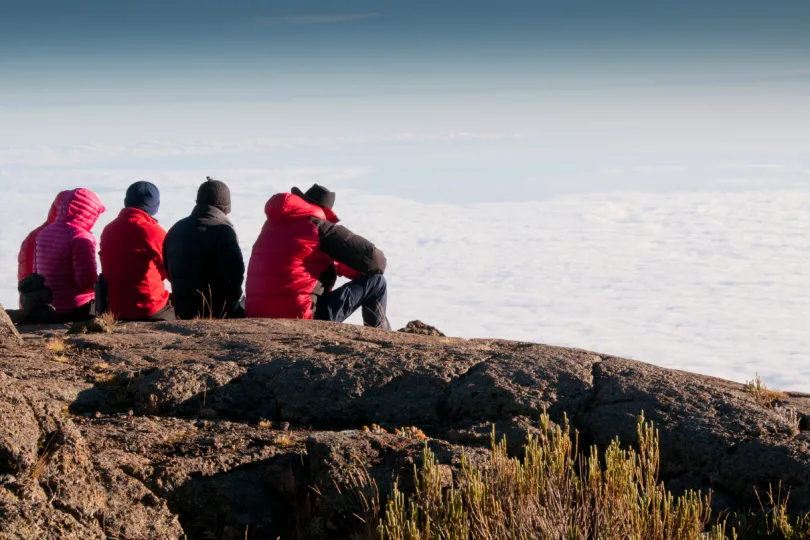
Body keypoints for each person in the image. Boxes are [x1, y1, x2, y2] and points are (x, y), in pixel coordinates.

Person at [246, 184, 390, 329]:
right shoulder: (318, 226)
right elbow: (376, 262)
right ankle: (384, 335)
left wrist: (338, 265)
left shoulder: (271, 226)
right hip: (300, 316)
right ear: (326, 212)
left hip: (255, 314)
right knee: (377, 282)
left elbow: (298, 263)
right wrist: (359, 270)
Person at [163, 177, 245, 319]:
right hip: (221, 312)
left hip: (183, 311)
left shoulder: (176, 229)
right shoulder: (223, 231)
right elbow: (236, 274)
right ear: (226, 205)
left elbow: (168, 270)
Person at [99, 181, 174, 321]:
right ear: (155, 205)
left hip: (115, 309)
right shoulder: (153, 231)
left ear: (126, 201)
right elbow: (172, 272)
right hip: (147, 308)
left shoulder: (108, 229)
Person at [34, 188, 106, 322]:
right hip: (77, 308)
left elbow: (36, 275)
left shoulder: (43, 233)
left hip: (49, 307)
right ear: (89, 212)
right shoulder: (81, 237)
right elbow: (86, 282)